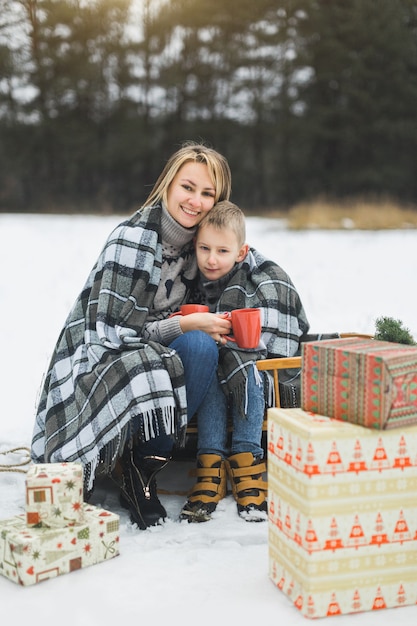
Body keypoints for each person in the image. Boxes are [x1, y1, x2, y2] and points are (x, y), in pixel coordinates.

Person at [31, 141, 233, 531]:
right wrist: (184, 324)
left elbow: (245, 264)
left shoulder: (202, 245)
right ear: (168, 185)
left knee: (200, 347)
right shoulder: (133, 239)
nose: (195, 201)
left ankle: (143, 467)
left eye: (208, 193)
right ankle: (127, 461)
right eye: (187, 187)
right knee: (169, 355)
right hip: (103, 351)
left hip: (156, 348)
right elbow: (111, 332)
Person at [179, 201, 309, 523]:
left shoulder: (260, 277)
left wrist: (236, 341)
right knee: (211, 371)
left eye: (222, 251)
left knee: (245, 372)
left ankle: (247, 460)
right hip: (211, 356)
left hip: (252, 361)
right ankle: (210, 465)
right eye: (204, 248)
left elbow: (275, 325)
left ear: (240, 252)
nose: (211, 259)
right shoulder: (188, 280)